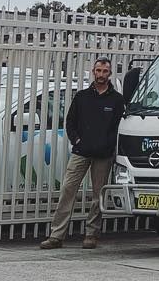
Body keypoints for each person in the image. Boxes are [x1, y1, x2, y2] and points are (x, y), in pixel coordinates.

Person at [40, 59, 126, 251]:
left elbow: (119, 127)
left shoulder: (117, 100)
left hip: (103, 155)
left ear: (110, 74)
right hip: (81, 152)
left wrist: (108, 145)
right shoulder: (82, 97)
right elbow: (70, 122)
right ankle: (56, 235)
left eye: (105, 71)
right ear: (93, 72)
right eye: (98, 70)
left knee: (98, 196)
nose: (101, 74)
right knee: (67, 190)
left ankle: (91, 234)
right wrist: (76, 140)